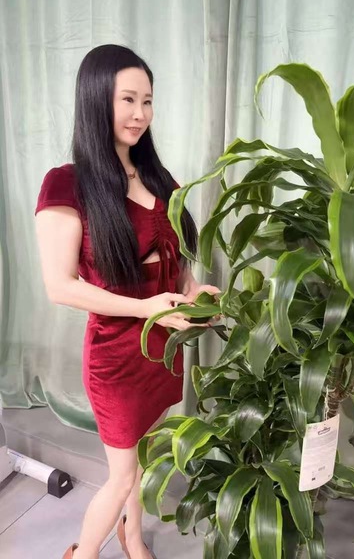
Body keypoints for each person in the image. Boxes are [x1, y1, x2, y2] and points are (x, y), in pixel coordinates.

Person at [35, 44, 220, 559]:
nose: (141, 114)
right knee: (120, 476)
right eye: (128, 100)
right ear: (97, 100)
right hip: (116, 358)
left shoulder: (159, 178)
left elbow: (175, 264)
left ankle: (132, 538)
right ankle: (83, 554)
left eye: (148, 101)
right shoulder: (66, 184)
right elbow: (59, 285)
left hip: (163, 351)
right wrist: (147, 309)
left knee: (145, 458)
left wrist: (192, 296)